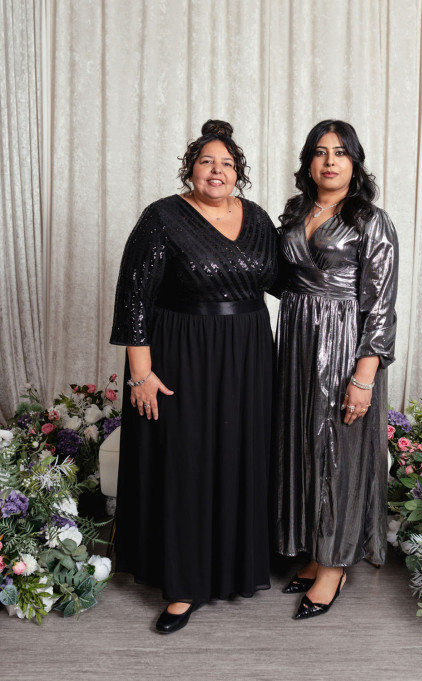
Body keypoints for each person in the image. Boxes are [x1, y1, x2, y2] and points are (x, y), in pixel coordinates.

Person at [110, 120, 278, 633]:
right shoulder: (162, 216)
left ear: (238, 173)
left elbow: (285, 280)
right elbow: (134, 297)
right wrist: (141, 374)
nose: (217, 171)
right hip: (181, 355)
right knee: (186, 461)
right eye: (207, 161)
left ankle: (235, 565)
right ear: (191, 169)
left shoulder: (258, 217)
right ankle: (183, 584)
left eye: (226, 163)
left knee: (240, 455)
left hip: (248, 355)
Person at [273, 120, 399, 619]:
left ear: (354, 163)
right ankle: (313, 548)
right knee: (303, 446)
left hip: (346, 345)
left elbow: (382, 307)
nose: (330, 161)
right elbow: (277, 277)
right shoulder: (295, 212)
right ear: (308, 162)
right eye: (321, 152)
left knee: (338, 453)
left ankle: (334, 564)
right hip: (297, 344)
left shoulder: (371, 220)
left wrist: (363, 377)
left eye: (340, 153)